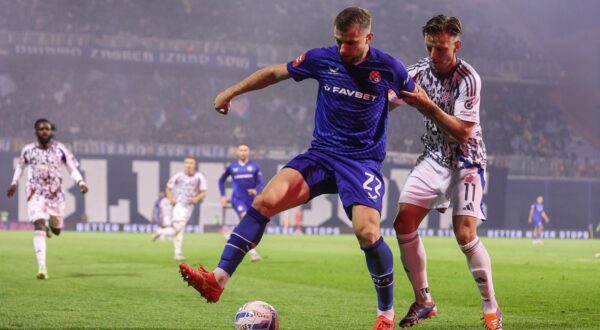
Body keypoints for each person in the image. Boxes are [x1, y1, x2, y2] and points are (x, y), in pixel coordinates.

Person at [178, 7, 416, 329]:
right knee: (264, 201)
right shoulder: (323, 58)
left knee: (368, 232)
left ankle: (385, 316)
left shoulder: (389, 67)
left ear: (368, 38)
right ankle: (217, 280)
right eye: (339, 41)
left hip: (361, 163)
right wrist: (231, 91)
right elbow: (275, 73)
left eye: (351, 42)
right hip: (321, 154)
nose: (344, 49)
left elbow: (422, 100)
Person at [388, 15, 502, 329]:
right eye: (430, 48)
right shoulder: (417, 72)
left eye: (441, 49)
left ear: (456, 45)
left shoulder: (468, 77)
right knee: (403, 223)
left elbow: (463, 132)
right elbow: (388, 100)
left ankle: (491, 308)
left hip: (466, 160)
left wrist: (428, 106)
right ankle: (424, 300)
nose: (435, 55)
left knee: (464, 234)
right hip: (434, 157)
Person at [6, 118, 88, 279]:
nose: (45, 131)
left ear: (51, 132)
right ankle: (42, 267)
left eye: (48, 129)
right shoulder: (28, 150)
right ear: (36, 132)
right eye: (42, 129)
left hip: (56, 196)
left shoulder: (60, 149)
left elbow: (72, 168)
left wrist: (81, 181)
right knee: (39, 224)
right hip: (35, 194)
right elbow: (20, 166)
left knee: (57, 230)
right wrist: (14, 182)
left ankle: (51, 226)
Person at [218, 143, 263, 261]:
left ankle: (231, 235)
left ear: (248, 152)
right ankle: (253, 253)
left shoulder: (255, 167)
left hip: (251, 201)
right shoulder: (232, 167)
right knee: (246, 220)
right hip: (237, 199)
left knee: (247, 226)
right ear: (237, 152)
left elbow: (260, 183)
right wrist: (223, 196)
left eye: (245, 150)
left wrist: (256, 190)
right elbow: (221, 181)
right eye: (241, 150)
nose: (243, 152)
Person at [166, 157, 207, 261]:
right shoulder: (179, 176)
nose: (189, 165)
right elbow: (168, 187)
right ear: (184, 164)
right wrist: (171, 199)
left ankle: (164, 234)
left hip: (189, 206)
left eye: (191, 163)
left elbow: (204, 191)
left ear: (194, 164)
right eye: (187, 163)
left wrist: (197, 198)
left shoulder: (199, 177)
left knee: (179, 228)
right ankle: (176, 251)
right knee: (179, 226)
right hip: (178, 204)